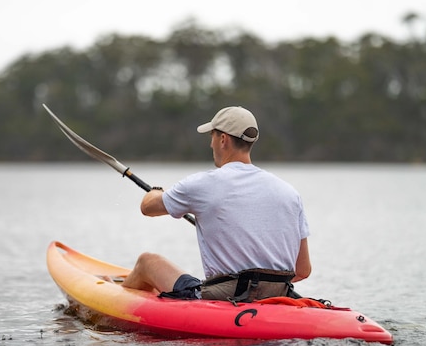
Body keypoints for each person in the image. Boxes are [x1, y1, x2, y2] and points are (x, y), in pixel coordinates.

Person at [121, 106, 311, 302]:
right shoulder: (290, 193)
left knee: (147, 262)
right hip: (279, 295)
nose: (211, 144)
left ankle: (117, 302)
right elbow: (303, 270)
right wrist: (261, 284)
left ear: (223, 140)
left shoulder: (202, 184)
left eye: (212, 136)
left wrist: (156, 192)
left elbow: (147, 208)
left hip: (224, 296)